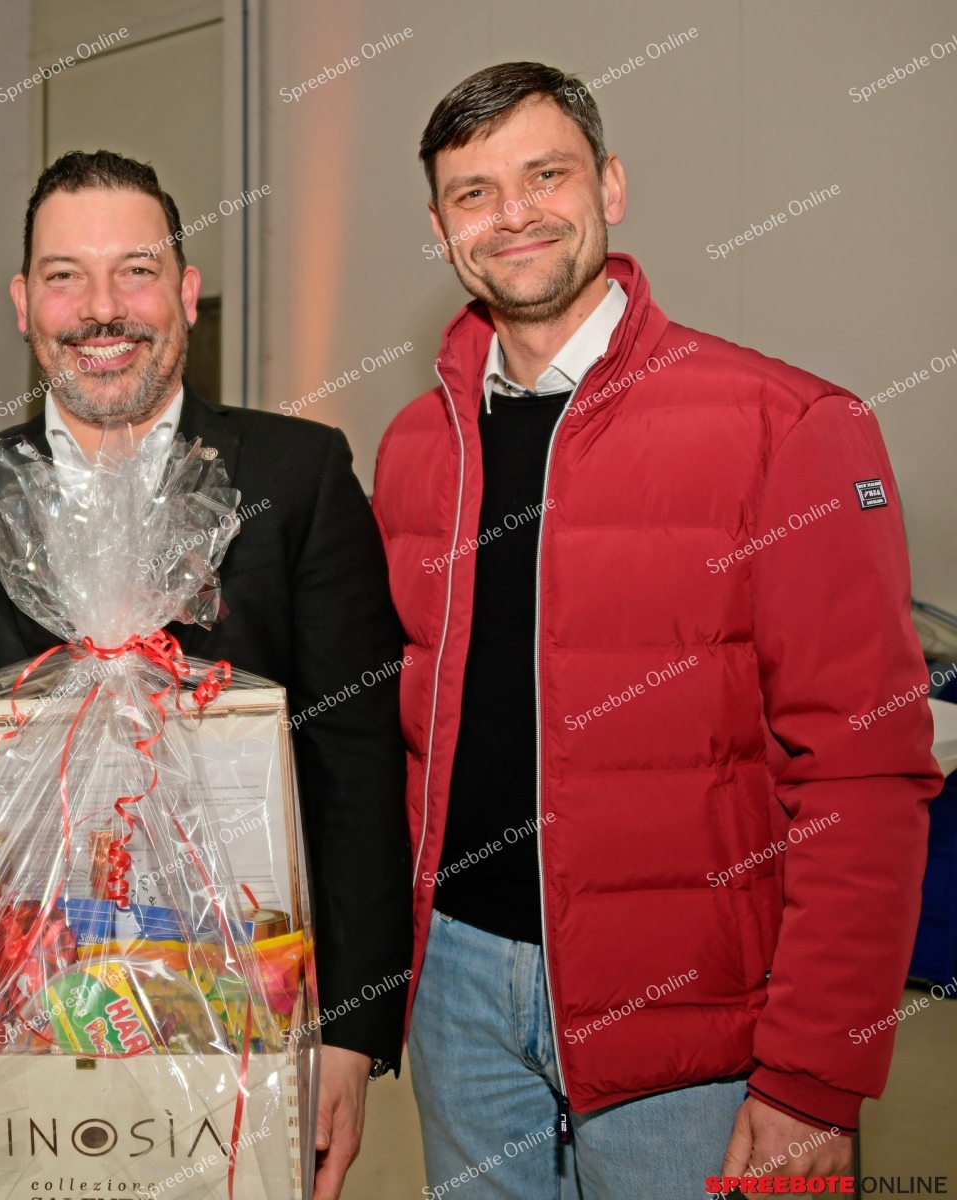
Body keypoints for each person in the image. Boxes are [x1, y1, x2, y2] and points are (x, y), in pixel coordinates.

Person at [372, 63, 941, 1197]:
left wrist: (814, 1076)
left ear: (612, 187)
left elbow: (865, 769)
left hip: (693, 1021)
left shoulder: (788, 426)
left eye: (546, 175)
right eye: (475, 192)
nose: (514, 213)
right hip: (457, 999)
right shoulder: (415, 447)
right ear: (440, 229)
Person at [0, 150, 413, 1199]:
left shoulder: (295, 478)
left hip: (241, 1019)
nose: (101, 309)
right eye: (65, 276)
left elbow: (356, 762)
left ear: (186, 293)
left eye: (136, 271)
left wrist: (354, 1028)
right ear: (24, 303)